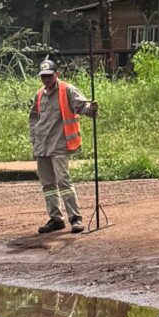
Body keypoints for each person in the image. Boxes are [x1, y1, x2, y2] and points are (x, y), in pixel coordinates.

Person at [29, 55, 96, 234]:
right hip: (42, 146)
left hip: (59, 144)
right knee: (48, 185)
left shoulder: (67, 90)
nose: (46, 79)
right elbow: (34, 118)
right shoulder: (39, 94)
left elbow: (82, 107)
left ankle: (75, 218)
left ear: (56, 74)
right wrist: (33, 140)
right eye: (43, 76)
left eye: (49, 75)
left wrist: (92, 110)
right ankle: (56, 218)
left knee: (64, 182)